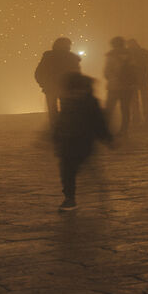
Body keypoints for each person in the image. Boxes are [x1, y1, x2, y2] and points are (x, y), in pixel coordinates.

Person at [52, 71, 113, 210]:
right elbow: (60, 122)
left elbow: (99, 123)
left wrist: (107, 138)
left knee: (76, 168)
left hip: (83, 142)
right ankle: (69, 198)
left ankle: (79, 192)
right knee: (68, 171)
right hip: (68, 143)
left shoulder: (90, 103)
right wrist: (55, 137)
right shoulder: (68, 102)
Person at [33, 37, 82, 122]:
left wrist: (44, 84)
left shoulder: (48, 57)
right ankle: (64, 130)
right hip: (65, 89)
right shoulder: (72, 58)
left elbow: (38, 73)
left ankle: (55, 130)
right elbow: (77, 75)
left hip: (52, 89)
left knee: (53, 113)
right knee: (67, 112)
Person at [103, 37, 135, 137]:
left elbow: (106, 72)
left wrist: (111, 78)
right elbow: (134, 70)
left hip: (114, 86)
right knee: (125, 109)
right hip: (127, 87)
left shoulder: (111, 56)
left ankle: (106, 129)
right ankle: (124, 130)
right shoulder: (130, 55)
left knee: (110, 108)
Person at [125, 38, 148, 123]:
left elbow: (146, 64)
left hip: (135, 80)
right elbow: (147, 64)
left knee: (136, 100)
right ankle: (145, 116)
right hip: (142, 79)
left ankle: (138, 117)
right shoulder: (145, 52)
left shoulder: (127, 54)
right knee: (143, 99)